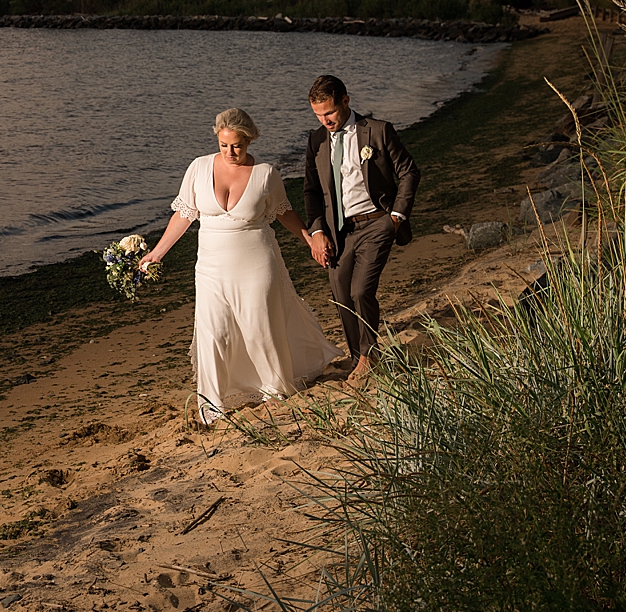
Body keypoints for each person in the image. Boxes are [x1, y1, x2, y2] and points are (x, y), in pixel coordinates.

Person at [140, 108, 342, 424]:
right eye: (224, 145)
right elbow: (184, 214)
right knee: (214, 332)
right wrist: (157, 252)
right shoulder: (198, 168)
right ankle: (213, 404)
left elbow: (283, 212)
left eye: (237, 145)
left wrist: (309, 238)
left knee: (260, 328)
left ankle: (274, 390)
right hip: (210, 268)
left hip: (257, 265)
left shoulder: (266, 174)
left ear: (249, 140)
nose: (230, 153)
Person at [302, 75, 420, 380]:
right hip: (338, 231)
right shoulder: (316, 140)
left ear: (345, 101)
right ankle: (359, 357)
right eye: (318, 114)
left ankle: (368, 355)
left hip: (377, 222)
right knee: (342, 294)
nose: (324, 120)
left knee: (360, 290)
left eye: (329, 112)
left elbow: (409, 171)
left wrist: (396, 217)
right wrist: (317, 232)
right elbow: (312, 191)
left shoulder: (378, 131)